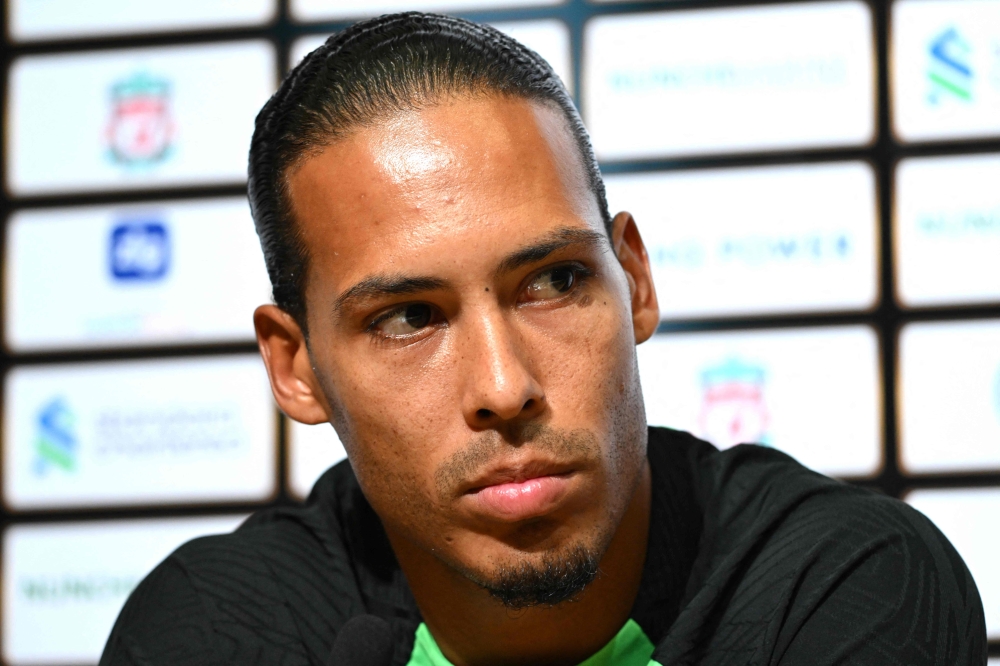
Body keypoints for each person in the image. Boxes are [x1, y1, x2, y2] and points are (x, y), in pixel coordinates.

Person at [100, 12, 986, 666]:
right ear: (297, 369)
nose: (503, 385)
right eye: (408, 317)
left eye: (555, 282)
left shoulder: (846, 585)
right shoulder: (212, 631)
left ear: (634, 280)